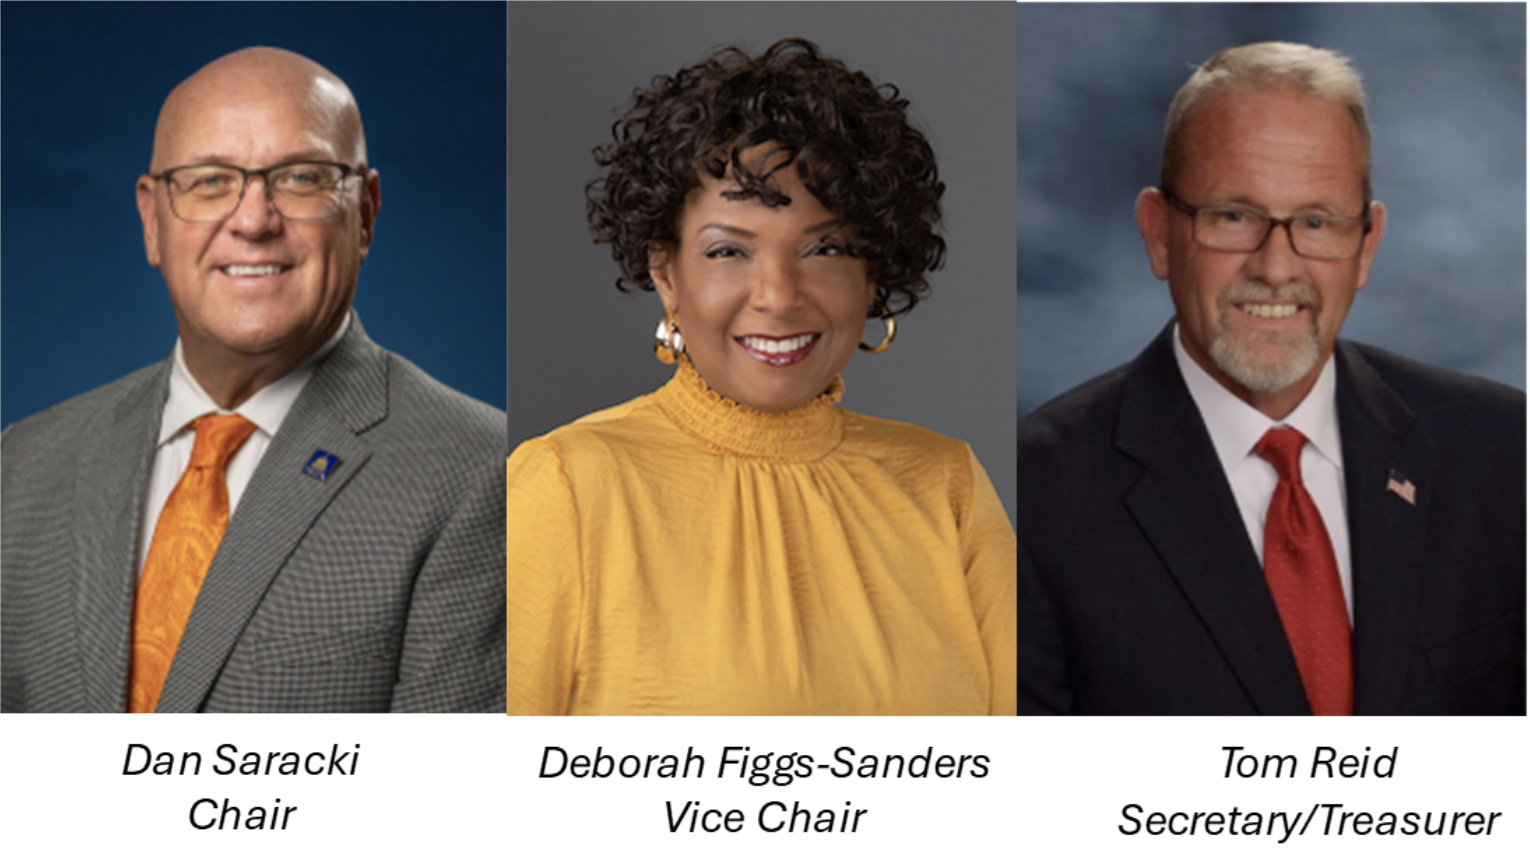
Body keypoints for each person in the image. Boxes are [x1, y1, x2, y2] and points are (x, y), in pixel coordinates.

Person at [507, 39, 1016, 715]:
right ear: (666, 274)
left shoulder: (946, 486)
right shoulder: (564, 486)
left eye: (825, 248)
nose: (778, 295)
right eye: (728, 251)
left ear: (873, 274)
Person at [1016, 42, 1525, 715]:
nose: (1277, 267)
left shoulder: (1503, 454)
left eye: (1316, 222)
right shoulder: (1028, 496)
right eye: (1234, 217)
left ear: (1365, 244)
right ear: (1160, 235)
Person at [1, 47, 506, 713]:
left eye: (301, 178)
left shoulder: (481, 473)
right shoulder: (24, 463)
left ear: (365, 215)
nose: (253, 220)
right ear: (152, 221)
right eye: (209, 181)